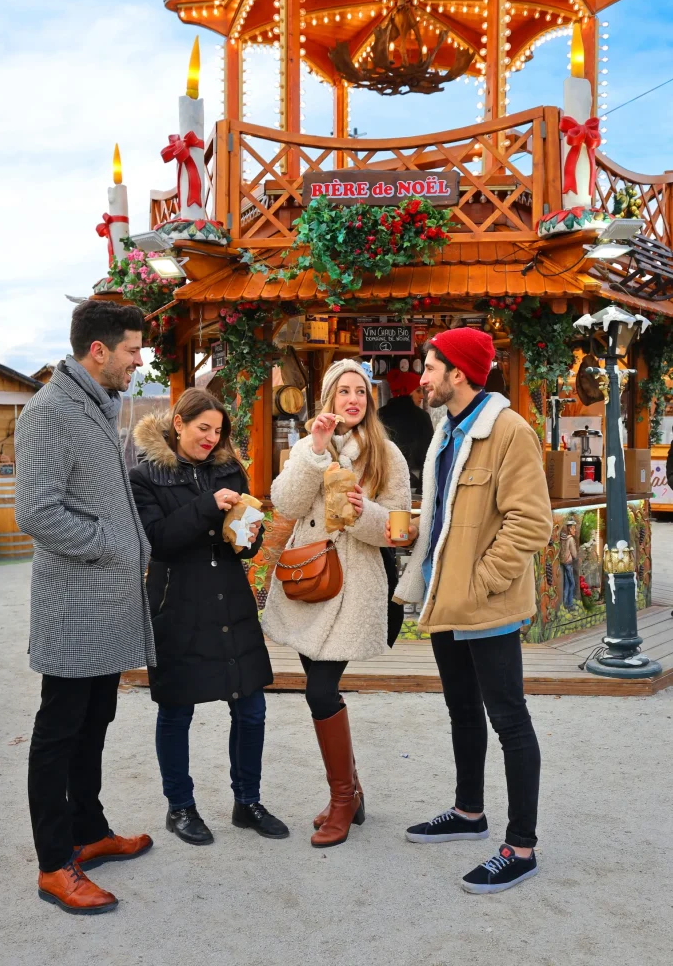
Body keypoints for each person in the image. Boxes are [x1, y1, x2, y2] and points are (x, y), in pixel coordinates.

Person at [389, 328, 552, 894]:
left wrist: (481, 582)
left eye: (431, 368)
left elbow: (531, 521)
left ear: (459, 374)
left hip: (485, 603)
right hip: (444, 598)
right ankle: (469, 813)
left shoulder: (509, 431)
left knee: (509, 720)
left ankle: (522, 847)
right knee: (463, 711)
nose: (423, 378)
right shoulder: (446, 430)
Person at [14, 300, 156, 916]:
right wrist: (110, 549)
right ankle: (53, 863)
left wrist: (135, 547)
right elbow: (38, 513)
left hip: (108, 602)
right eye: (131, 349)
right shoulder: (49, 412)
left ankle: (88, 829)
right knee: (59, 730)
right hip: (73, 605)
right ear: (97, 351)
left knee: (96, 718)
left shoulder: (100, 405)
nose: (138, 360)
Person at [129, 389, 289, 844]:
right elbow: (158, 541)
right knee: (176, 710)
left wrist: (250, 533)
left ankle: (247, 802)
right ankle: (180, 808)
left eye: (217, 431)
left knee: (252, 707)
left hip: (230, 600)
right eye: (203, 429)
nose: (211, 438)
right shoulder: (145, 476)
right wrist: (206, 507)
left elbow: (243, 543)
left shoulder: (228, 469)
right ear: (178, 423)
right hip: (178, 604)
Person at [263, 360, 411, 848]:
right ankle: (351, 791)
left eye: (361, 392)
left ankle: (343, 799)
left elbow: (398, 528)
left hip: (352, 587)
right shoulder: (307, 447)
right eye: (342, 391)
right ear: (327, 400)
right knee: (317, 688)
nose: (352, 399)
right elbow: (284, 502)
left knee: (320, 693)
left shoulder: (385, 453)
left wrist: (356, 510)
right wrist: (316, 451)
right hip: (308, 582)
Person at [378, 368, 434, 494]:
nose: (422, 396)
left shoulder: (379, 415)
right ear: (407, 392)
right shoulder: (422, 417)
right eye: (418, 391)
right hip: (415, 485)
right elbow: (429, 456)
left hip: (384, 485)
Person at [560, 519, 579, 610]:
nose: (575, 530)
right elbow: (574, 554)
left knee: (567, 584)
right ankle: (570, 604)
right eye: (573, 528)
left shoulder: (564, 538)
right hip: (568, 564)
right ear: (570, 529)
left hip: (564, 563)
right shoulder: (570, 539)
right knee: (572, 584)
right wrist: (576, 557)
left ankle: (565, 603)